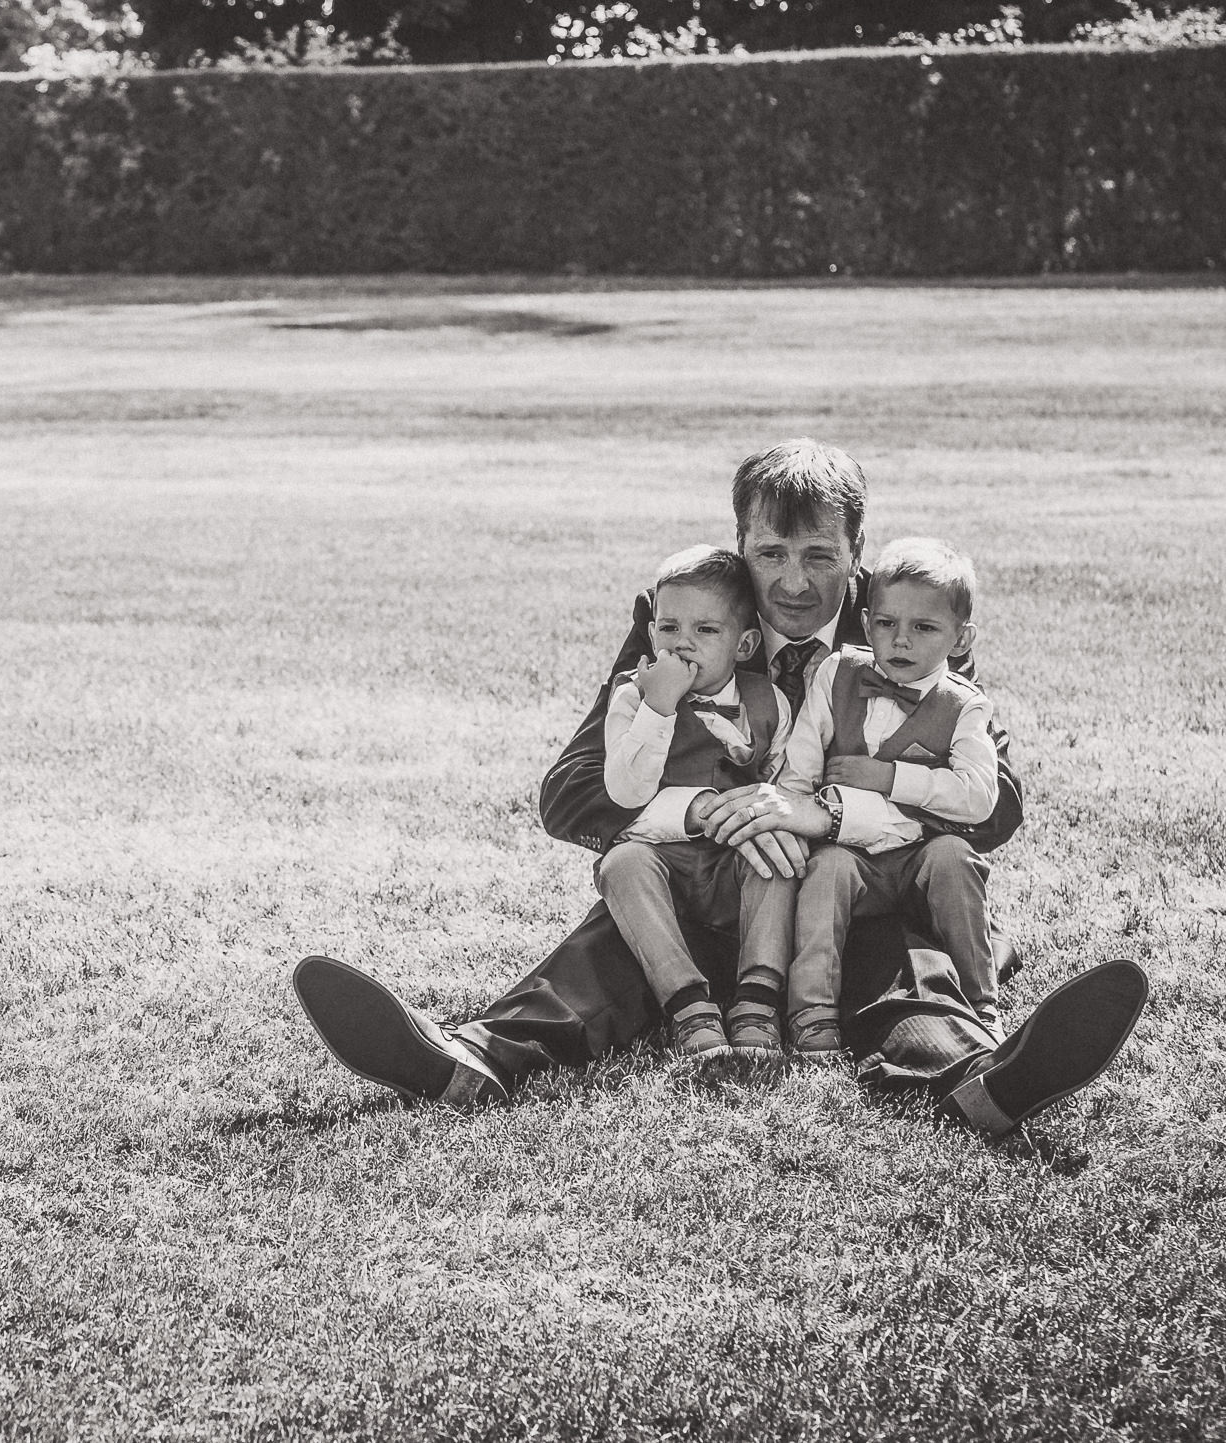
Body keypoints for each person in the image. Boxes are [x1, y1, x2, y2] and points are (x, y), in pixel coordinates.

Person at [290, 439, 1150, 1138]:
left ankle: (980, 1076)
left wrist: (827, 812)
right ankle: (472, 1057)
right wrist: (701, 809)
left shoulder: (907, 619)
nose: (795, 581)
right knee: (613, 935)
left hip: (854, 895)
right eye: (770, 553)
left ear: (858, 551)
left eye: (821, 554)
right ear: (741, 545)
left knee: (902, 966)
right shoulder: (687, 619)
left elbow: (993, 806)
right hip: (707, 893)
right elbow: (573, 793)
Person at [776, 537, 1001, 1062]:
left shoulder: (964, 707)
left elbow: (979, 798)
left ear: (961, 639)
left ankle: (982, 1005)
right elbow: (799, 769)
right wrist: (792, 814)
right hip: (850, 854)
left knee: (955, 858)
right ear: (867, 619)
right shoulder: (837, 675)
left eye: (924, 628)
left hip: (920, 856)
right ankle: (812, 1015)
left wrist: (888, 777)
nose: (900, 641)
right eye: (885, 623)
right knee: (825, 870)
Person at [593, 544, 795, 1075]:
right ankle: (689, 1007)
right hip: (667, 866)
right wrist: (659, 707)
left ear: (744, 642)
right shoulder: (633, 699)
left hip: (738, 863)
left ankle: (758, 998)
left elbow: (781, 784)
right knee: (621, 863)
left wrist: (761, 815)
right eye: (668, 628)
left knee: (780, 850)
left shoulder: (772, 702)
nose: (682, 642)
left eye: (706, 631)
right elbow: (624, 792)